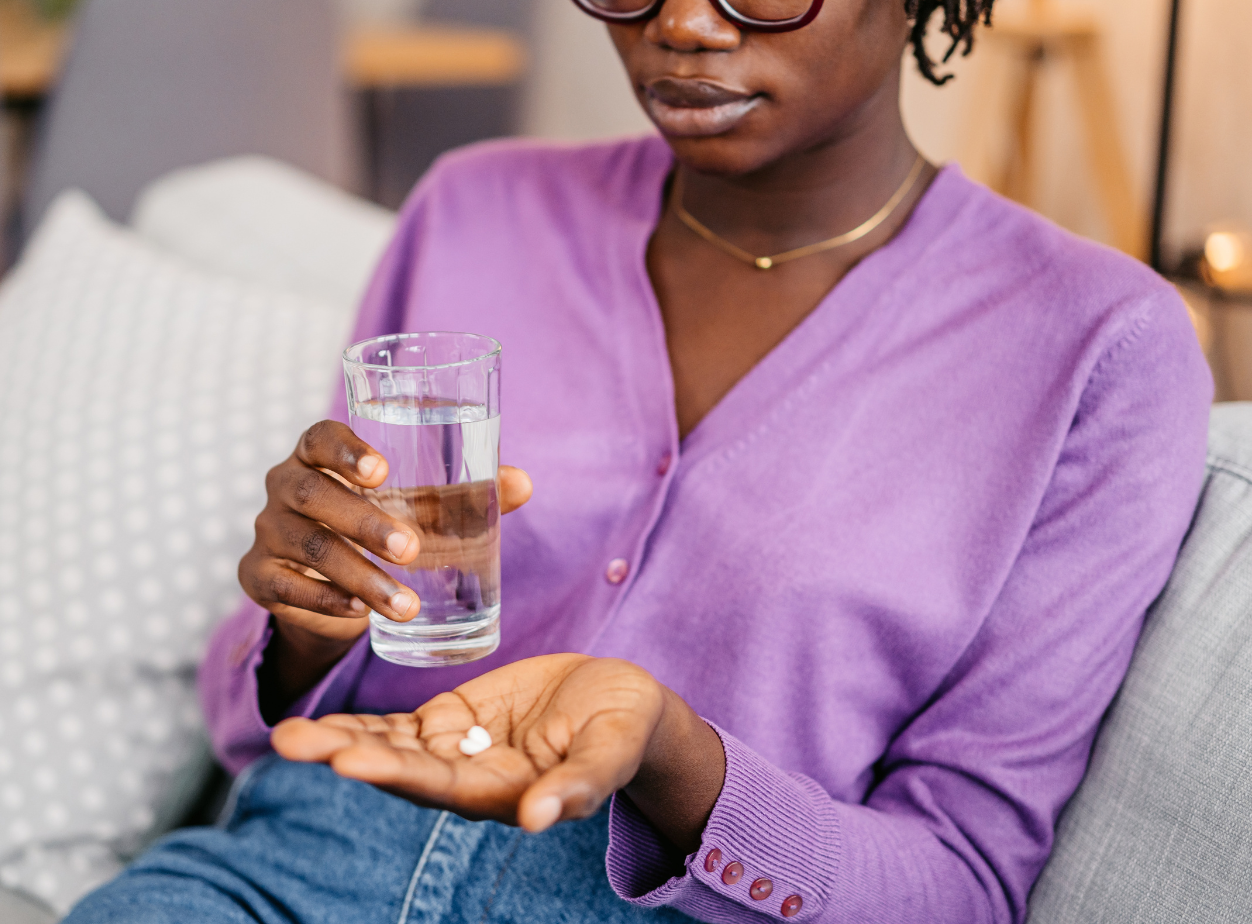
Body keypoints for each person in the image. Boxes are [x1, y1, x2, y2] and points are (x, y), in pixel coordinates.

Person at [65, 0, 1212, 921]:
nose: (682, 26)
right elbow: (256, 721)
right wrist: (309, 620)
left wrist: (673, 757)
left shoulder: (1092, 345)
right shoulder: (474, 207)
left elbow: (962, 884)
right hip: (296, 865)